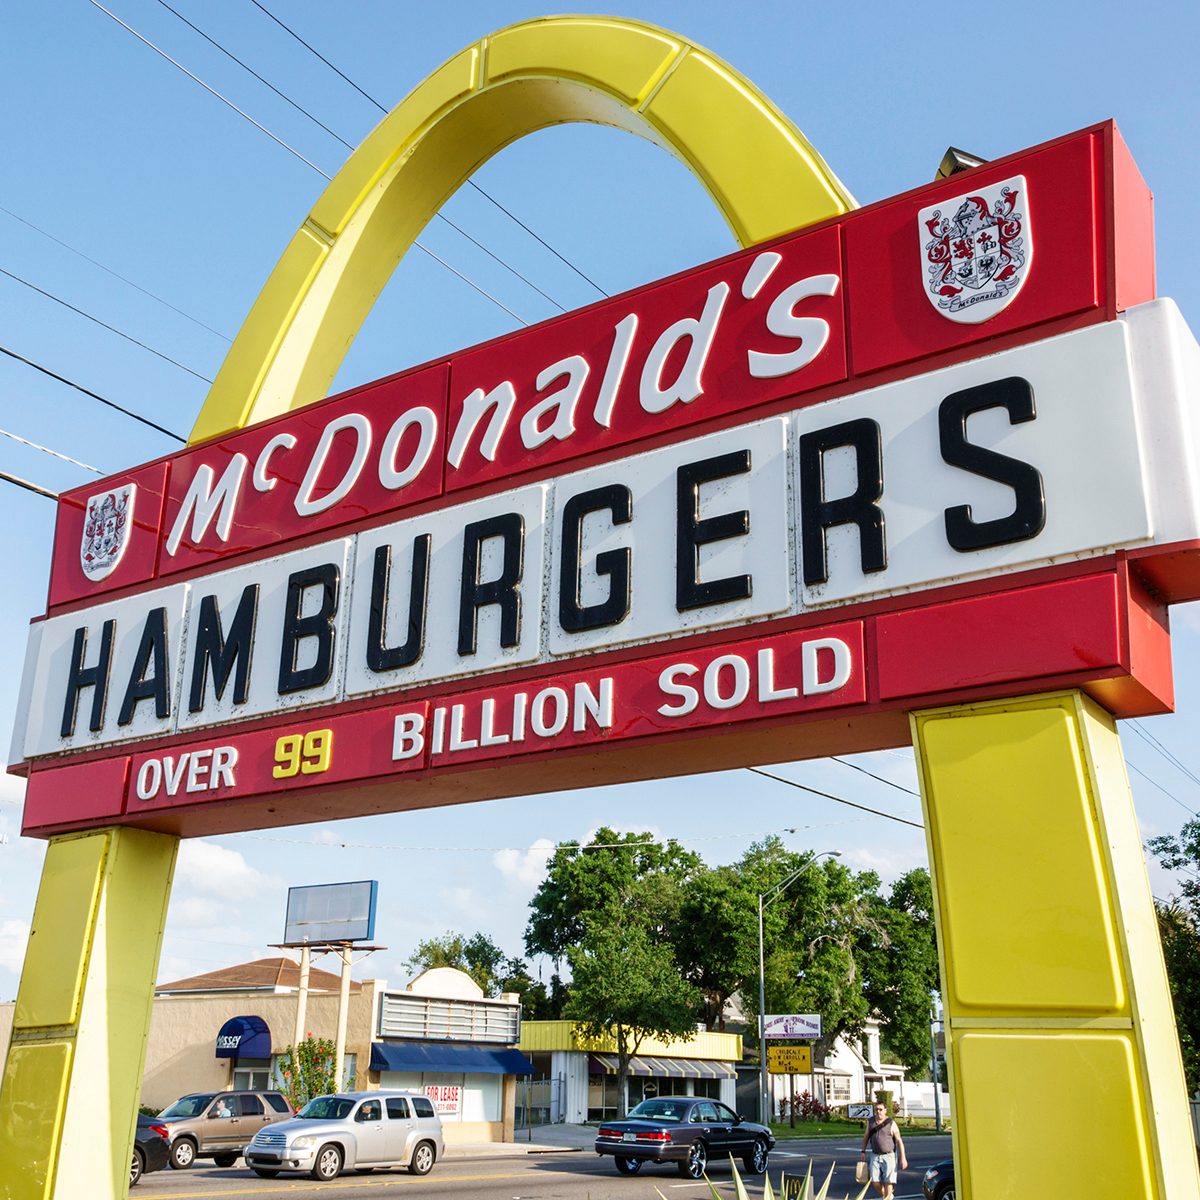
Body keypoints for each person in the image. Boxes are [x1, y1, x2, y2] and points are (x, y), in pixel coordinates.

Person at [859, 1101, 907, 1199]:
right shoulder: (870, 1122)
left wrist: (903, 1158)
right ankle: (887, 1196)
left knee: (888, 1181)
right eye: (876, 1109)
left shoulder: (891, 1123)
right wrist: (863, 1151)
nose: (878, 1111)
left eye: (881, 1109)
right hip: (875, 1155)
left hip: (889, 1155)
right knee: (874, 1180)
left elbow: (899, 1141)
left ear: (885, 1110)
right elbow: (866, 1137)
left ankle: (887, 1198)